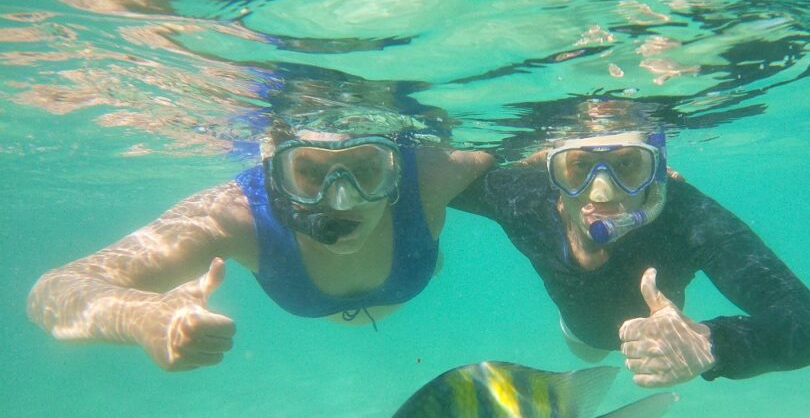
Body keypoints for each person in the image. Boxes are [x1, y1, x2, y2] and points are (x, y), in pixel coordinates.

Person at [27, 122, 492, 371]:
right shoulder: (236, 216)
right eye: (309, 172)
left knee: (429, 258)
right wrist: (143, 317)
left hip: (412, 267)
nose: (342, 199)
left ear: (395, 166)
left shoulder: (431, 176)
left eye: (366, 169)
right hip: (405, 275)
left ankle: (432, 259)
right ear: (273, 168)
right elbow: (53, 291)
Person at [453, 113, 810, 389]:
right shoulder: (523, 197)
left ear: (655, 170)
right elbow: (436, 180)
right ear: (551, 171)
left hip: (660, 337)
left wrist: (711, 343)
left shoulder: (686, 217)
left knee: (589, 351)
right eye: (578, 167)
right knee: (586, 351)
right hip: (581, 335)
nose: (601, 193)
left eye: (628, 165)